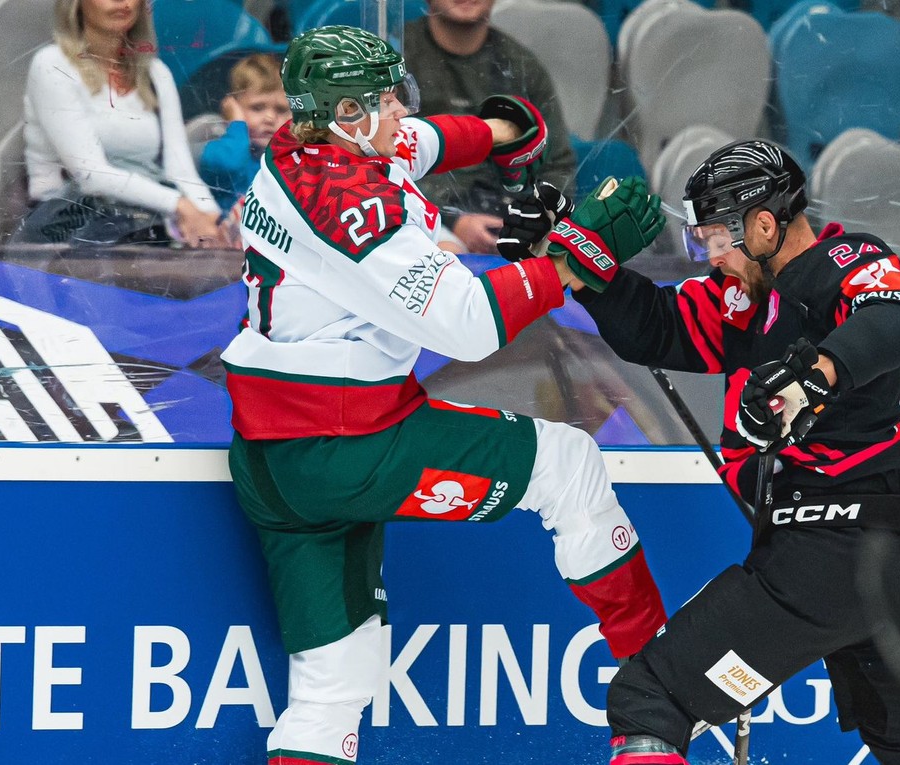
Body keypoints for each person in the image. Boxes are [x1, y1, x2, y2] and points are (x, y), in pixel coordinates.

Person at [220, 26, 670, 765]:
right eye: (383, 98)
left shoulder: (307, 150)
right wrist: (573, 259)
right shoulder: (355, 206)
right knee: (567, 464)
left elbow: (423, 141)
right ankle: (660, 692)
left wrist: (502, 131)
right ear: (346, 115)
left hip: (273, 458)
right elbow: (469, 324)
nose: (401, 108)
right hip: (351, 444)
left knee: (336, 681)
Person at [500, 140, 900, 765]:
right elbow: (654, 325)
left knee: (649, 698)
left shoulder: (844, 260)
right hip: (888, 561)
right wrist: (570, 253)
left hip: (829, 557)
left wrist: (815, 374)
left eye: (718, 238)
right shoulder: (743, 301)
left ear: (764, 223)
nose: (711, 254)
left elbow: (898, 319)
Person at [17, 0, 227, 247]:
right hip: (67, 231)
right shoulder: (52, 64)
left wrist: (210, 217)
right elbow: (91, 175)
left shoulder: (156, 73)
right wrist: (179, 205)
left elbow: (180, 169)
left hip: (141, 223)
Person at [404, 0, 577, 254]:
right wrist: (452, 220)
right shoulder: (397, 57)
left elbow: (556, 164)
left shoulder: (521, 65)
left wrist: (530, 223)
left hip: (510, 220)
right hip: (426, 221)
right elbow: (378, 160)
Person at [200, 53, 291, 214]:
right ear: (232, 108)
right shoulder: (218, 152)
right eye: (257, 108)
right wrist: (236, 125)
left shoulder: (290, 161)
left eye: (281, 110)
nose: (270, 118)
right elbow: (231, 164)